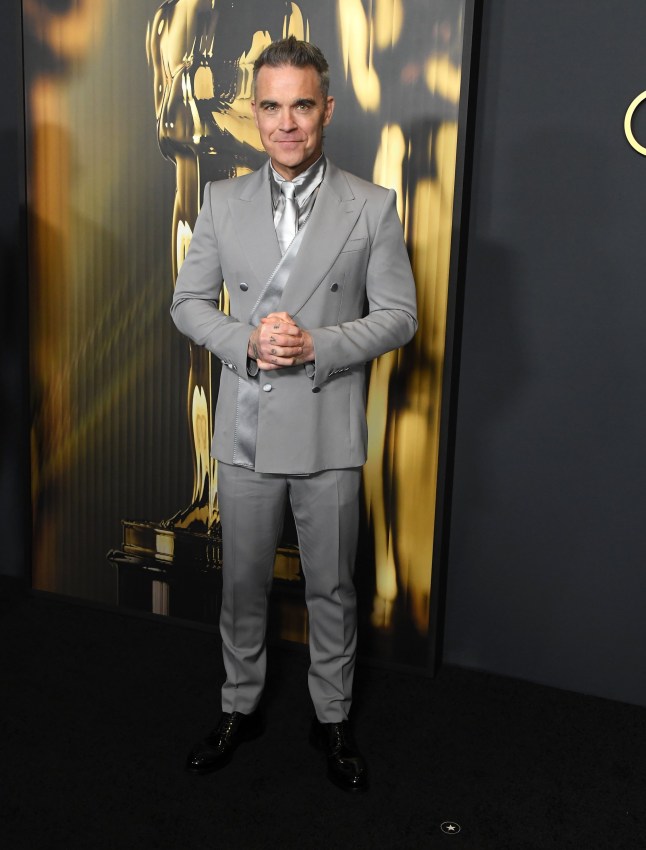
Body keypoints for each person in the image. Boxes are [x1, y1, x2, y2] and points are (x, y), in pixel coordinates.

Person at [170, 36, 417, 792]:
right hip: (246, 426)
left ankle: (333, 716)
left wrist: (316, 344)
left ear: (326, 110)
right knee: (242, 583)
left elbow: (401, 317)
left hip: (327, 428)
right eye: (271, 106)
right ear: (256, 113)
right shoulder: (221, 199)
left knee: (331, 587)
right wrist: (248, 340)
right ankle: (239, 706)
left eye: (301, 106)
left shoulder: (372, 205)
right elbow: (185, 305)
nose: (286, 123)